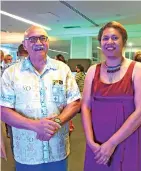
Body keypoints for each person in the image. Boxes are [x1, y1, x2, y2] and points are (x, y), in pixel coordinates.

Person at [0, 25, 81, 171]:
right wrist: (35, 126)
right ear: (24, 44)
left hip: (58, 149)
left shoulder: (62, 69)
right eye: (32, 39)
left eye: (42, 38)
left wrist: (57, 121)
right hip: (27, 153)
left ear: (48, 42)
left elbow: (74, 102)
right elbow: (4, 110)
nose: (38, 43)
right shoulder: (11, 73)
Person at [82, 21, 141, 171]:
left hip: (128, 139)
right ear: (100, 42)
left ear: (124, 41)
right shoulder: (93, 70)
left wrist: (111, 144)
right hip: (98, 143)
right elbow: (85, 106)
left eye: (115, 38)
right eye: (105, 38)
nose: (109, 42)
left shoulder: (138, 69)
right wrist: (90, 141)